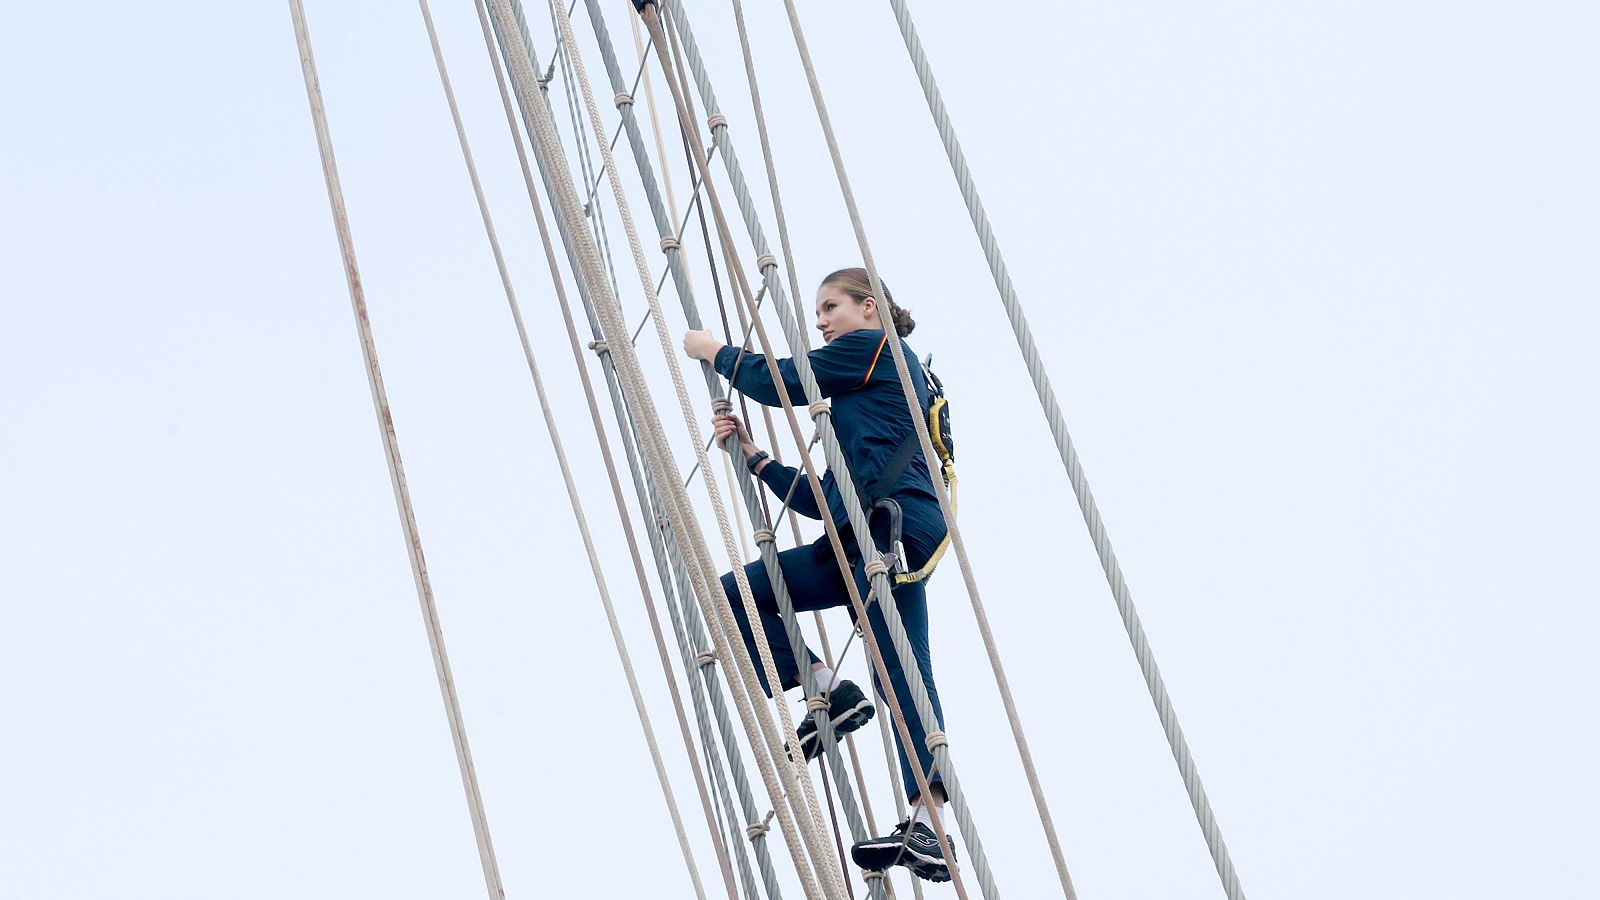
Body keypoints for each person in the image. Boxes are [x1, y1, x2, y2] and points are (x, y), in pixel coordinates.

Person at [682, 267, 955, 882]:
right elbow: (823, 502)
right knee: (737, 596)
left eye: (831, 307)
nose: (823, 321)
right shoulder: (862, 408)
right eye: (819, 313)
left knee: (903, 668)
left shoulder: (879, 349)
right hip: (858, 531)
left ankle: (931, 823)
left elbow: (780, 381)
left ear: (869, 308)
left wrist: (713, 351)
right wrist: (756, 459)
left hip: (896, 531)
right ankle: (828, 692)